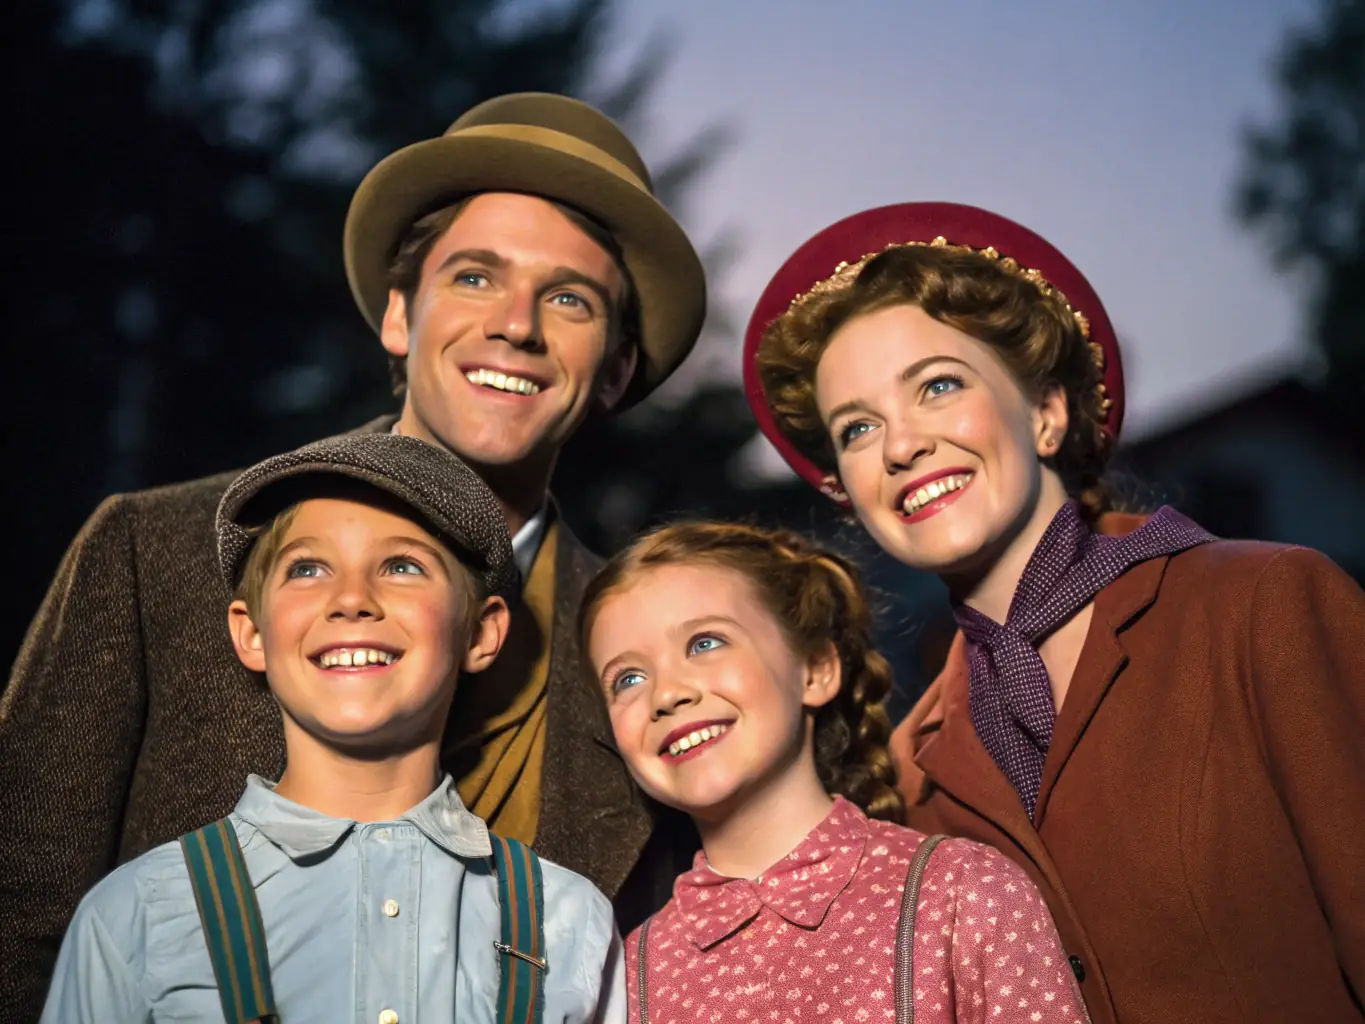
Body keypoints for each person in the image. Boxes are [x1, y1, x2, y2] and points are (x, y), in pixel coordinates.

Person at [1, 92, 706, 1020]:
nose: (517, 325)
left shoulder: (642, 646)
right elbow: (20, 921)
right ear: (397, 318)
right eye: (475, 277)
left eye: (568, 298)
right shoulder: (153, 548)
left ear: (614, 368)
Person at [743, 201, 1365, 1023]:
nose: (899, 446)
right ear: (849, 496)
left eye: (936, 385)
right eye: (857, 428)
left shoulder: (1261, 605)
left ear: (1045, 411)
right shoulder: (907, 768)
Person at [40, 433, 625, 1023]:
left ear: (480, 632)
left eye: (402, 566)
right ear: (252, 634)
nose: (351, 600)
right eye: (308, 568)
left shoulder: (568, 921)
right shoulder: (137, 914)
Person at [580, 521, 1088, 1024]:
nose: (667, 694)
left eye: (705, 644)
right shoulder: (627, 982)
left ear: (816, 669)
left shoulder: (961, 892)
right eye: (627, 678)